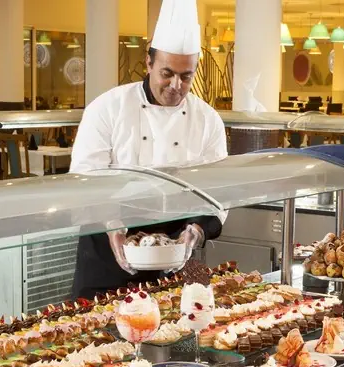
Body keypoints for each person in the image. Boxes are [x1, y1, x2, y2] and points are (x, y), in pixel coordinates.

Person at [69, 0, 227, 300]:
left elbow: (218, 194)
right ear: (149, 63)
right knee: (96, 328)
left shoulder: (208, 120)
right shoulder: (107, 108)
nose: (176, 85)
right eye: (167, 73)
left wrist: (195, 233)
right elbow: (84, 181)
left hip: (174, 260)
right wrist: (113, 228)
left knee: (179, 326)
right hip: (107, 257)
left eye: (186, 76)